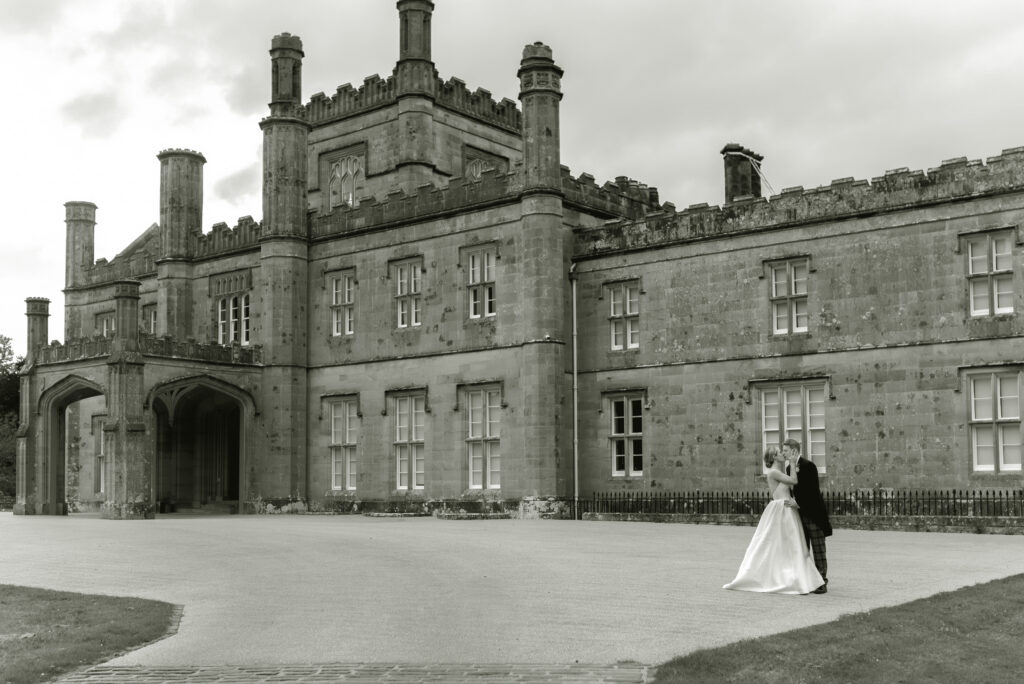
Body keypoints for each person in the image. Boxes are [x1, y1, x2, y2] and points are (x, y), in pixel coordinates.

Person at [723, 445, 825, 595]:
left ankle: (796, 577)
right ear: (773, 457)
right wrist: (792, 463)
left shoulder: (779, 471)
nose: (783, 454)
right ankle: (785, 578)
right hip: (782, 509)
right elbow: (793, 481)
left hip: (788, 508)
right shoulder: (774, 472)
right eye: (779, 453)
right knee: (781, 544)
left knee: (793, 545)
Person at [785, 438, 832, 594]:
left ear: (794, 451)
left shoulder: (808, 466)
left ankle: (822, 582)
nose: (784, 453)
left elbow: (812, 492)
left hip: (813, 514)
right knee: (803, 548)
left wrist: (798, 503)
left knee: (818, 550)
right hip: (799, 516)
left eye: (786, 450)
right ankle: (807, 580)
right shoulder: (788, 468)